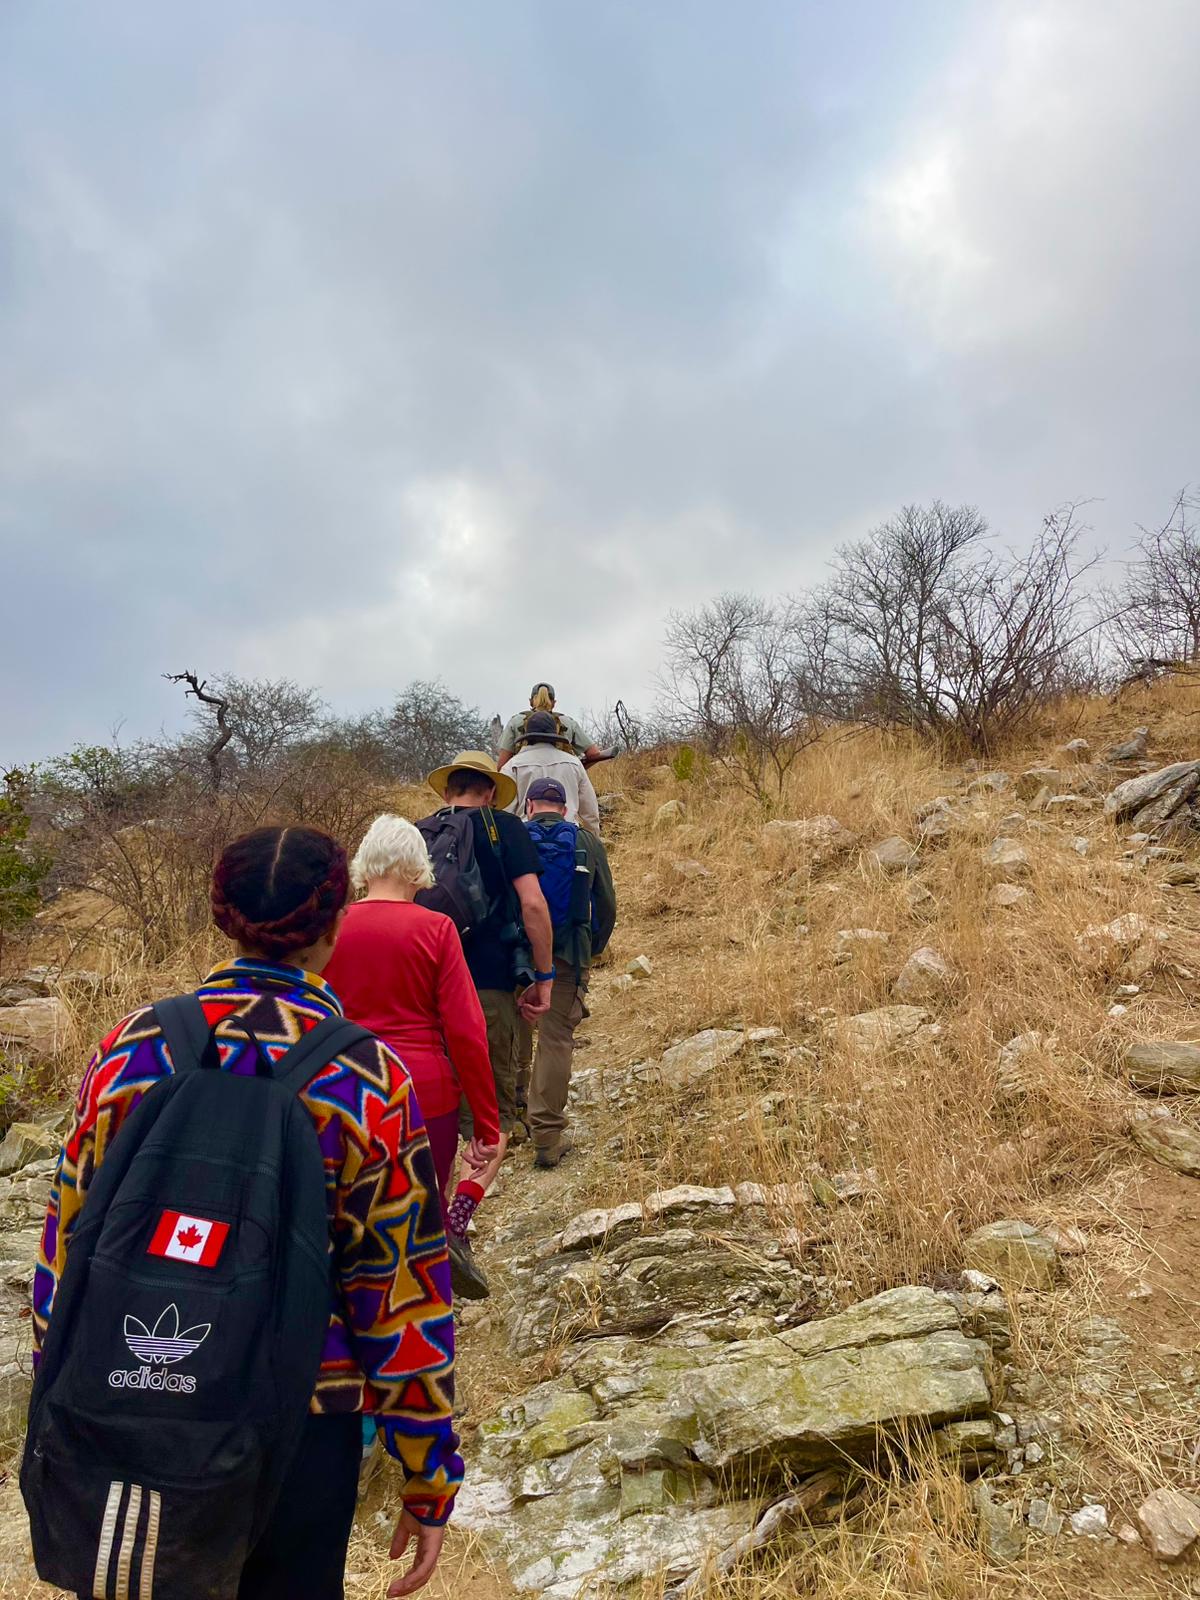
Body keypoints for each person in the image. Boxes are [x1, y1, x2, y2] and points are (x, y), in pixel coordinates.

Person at [30, 827, 460, 1599]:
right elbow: (400, 1295)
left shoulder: (133, 1048)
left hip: (129, 1397)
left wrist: (60, 1390)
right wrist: (429, 1472)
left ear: (223, 917)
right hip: (300, 1421)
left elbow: (66, 1239)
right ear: (335, 925)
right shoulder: (365, 1079)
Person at [323, 815, 501, 1301]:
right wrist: (486, 1124)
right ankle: (442, 1251)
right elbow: (466, 1032)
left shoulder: (329, 932)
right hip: (424, 1090)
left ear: (364, 866)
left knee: (349, 1208)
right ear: (420, 869)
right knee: (423, 1210)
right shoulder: (437, 928)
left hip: (344, 1088)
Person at [419, 751, 554, 1146]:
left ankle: (442, 1173)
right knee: (490, 1091)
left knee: (442, 1084)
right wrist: (543, 974)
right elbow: (532, 903)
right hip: (491, 976)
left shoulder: (420, 833)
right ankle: (478, 1179)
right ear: (492, 793)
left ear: (446, 791)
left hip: (431, 980)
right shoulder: (507, 828)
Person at [518, 778, 617, 1169]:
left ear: (529, 807)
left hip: (515, 956)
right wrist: (589, 949)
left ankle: (507, 1124)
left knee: (514, 1039)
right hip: (566, 956)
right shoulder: (585, 842)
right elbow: (606, 905)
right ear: (564, 809)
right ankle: (546, 1137)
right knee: (556, 1040)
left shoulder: (511, 838)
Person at [505, 710, 602, 834]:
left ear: (527, 736)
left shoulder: (512, 766)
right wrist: (592, 841)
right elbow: (590, 812)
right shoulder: (574, 764)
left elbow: (505, 812)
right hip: (568, 838)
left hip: (526, 839)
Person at [497, 683, 618, 770]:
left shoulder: (515, 721)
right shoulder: (568, 723)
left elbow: (502, 765)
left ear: (531, 701)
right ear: (554, 702)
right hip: (562, 783)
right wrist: (578, 768)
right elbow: (593, 754)